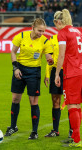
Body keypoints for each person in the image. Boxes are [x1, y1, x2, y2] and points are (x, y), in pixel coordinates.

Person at [5, 18, 54, 139]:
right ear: (33, 27)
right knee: (15, 99)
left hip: (34, 72)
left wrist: (50, 60)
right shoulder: (21, 36)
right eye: (39, 30)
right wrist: (15, 68)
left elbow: (48, 56)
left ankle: (34, 132)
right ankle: (13, 127)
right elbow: (13, 52)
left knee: (33, 102)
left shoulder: (45, 41)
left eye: (43, 31)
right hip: (20, 69)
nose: (41, 33)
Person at [54, 9, 82, 147]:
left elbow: (61, 55)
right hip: (80, 70)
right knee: (77, 105)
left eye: (55, 22)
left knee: (72, 105)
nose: (55, 25)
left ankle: (77, 140)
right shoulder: (77, 31)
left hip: (71, 73)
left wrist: (57, 73)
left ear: (59, 21)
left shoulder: (62, 33)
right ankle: (77, 138)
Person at [44, 34, 73, 138]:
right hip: (56, 70)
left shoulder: (72, 37)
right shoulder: (52, 39)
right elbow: (49, 58)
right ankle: (55, 131)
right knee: (55, 100)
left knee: (71, 102)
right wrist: (47, 73)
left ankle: (72, 131)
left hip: (70, 71)